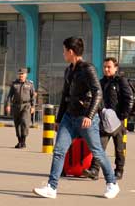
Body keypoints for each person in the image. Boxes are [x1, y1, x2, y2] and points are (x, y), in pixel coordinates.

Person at [33, 37, 120, 199]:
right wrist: (58, 120)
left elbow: (98, 93)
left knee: (97, 152)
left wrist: (90, 115)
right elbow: (65, 95)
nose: (63, 53)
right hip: (69, 117)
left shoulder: (88, 69)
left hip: (85, 118)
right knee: (59, 150)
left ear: (71, 52)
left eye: (64, 50)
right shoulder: (68, 70)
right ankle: (52, 187)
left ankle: (112, 183)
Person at [83, 57, 132, 181]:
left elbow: (129, 98)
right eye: (104, 67)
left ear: (115, 68)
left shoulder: (121, 81)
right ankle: (94, 170)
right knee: (99, 145)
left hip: (118, 120)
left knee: (119, 148)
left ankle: (119, 171)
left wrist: (123, 116)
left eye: (109, 67)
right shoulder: (101, 82)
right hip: (103, 119)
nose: (106, 69)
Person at [5, 68, 35, 149]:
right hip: (16, 106)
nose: (21, 75)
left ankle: (23, 141)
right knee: (17, 124)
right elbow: (9, 96)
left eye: (22, 74)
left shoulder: (30, 84)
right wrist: (8, 105)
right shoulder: (14, 84)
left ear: (26, 75)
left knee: (24, 122)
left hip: (26, 106)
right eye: (19, 74)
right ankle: (19, 141)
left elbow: (33, 96)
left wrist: (33, 106)